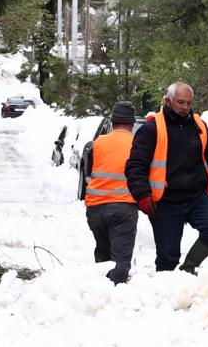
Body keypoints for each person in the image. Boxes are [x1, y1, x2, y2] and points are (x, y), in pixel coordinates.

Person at [125, 82, 208, 273]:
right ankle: (165, 294)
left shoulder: (199, 126)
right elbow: (135, 166)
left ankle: (188, 269)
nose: (185, 107)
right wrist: (142, 194)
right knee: (168, 257)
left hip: (196, 196)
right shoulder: (152, 129)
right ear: (168, 101)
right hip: (165, 201)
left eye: (189, 103)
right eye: (180, 102)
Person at [83, 101, 139, 284]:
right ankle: (115, 293)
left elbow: (89, 171)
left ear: (112, 122)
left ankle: (100, 292)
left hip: (95, 208)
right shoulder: (137, 144)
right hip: (123, 207)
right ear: (131, 124)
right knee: (120, 261)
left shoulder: (98, 143)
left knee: (103, 256)